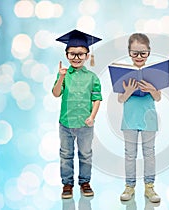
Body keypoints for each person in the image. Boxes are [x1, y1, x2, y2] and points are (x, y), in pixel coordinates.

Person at [52, 29, 102, 199]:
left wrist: (92, 117)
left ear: (87, 56)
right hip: (65, 123)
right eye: (72, 54)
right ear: (67, 55)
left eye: (81, 54)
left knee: (85, 154)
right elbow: (56, 93)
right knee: (66, 154)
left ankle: (85, 182)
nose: (76, 57)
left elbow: (97, 99)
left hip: (85, 124)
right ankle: (67, 184)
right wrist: (60, 77)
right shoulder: (64, 75)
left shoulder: (93, 77)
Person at [118, 33, 161, 203]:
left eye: (143, 53)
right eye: (135, 53)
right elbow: (120, 99)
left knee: (149, 154)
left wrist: (151, 89)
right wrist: (128, 91)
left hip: (149, 120)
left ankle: (149, 187)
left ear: (149, 53)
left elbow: (158, 98)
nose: (139, 57)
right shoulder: (124, 74)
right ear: (129, 53)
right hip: (129, 120)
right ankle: (129, 186)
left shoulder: (154, 74)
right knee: (130, 154)